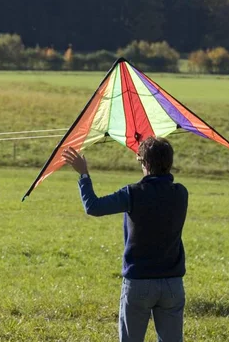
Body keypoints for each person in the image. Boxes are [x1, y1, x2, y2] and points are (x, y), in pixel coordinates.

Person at [61, 136, 188, 342]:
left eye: (140, 161)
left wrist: (84, 175)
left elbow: (93, 207)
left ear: (145, 163)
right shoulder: (181, 193)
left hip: (139, 282)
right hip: (173, 284)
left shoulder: (133, 193)